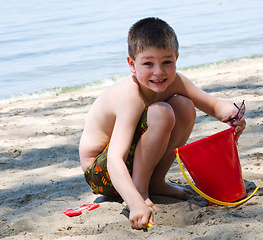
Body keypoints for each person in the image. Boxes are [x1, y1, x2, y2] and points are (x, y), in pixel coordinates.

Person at [79, 17, 246, 230]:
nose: (159, 72)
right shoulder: (129, 95)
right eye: (148, 63)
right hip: (103, 174)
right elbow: (114, 160)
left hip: (127, 164)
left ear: (176, 58)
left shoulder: (176, 81)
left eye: (167, 62)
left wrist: (235, 115)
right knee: (161, 113)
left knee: (184, 106)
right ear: (132, 64)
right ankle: (140, 191)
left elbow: (213, 105)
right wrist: (135, 203)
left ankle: (156, 182)